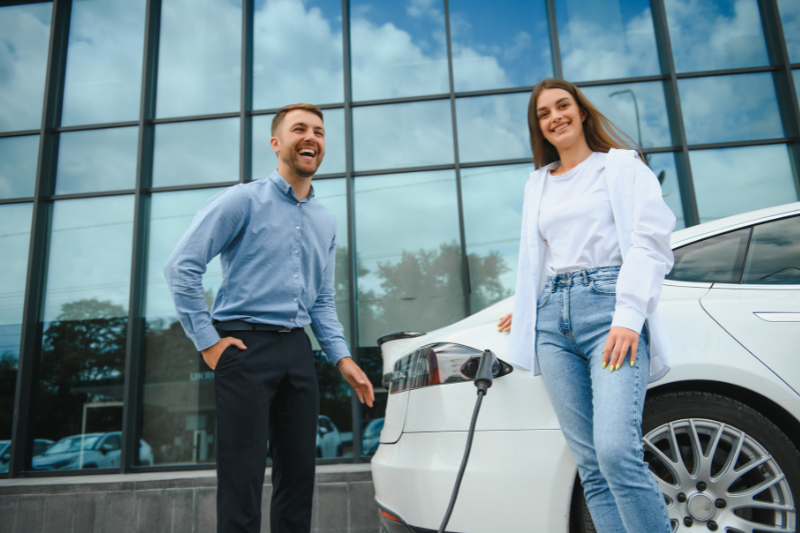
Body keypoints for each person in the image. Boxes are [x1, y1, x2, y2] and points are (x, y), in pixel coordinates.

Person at [164, 103, 375, 533]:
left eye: (318, 130)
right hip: (242, 347)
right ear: (277, 143)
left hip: (297, 351)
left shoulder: (325, 219)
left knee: (298, 478)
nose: (311, 137)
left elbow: (321, 300)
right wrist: (207, 341)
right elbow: (181, 266)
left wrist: (342, 358)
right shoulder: (242, 200)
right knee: (241, 479)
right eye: (299, 129)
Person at [497, 79, 675, 533]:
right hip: (553, 321)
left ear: (581, 112)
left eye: (563, 106)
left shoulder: (620, 167)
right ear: (539, 127)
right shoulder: (537, 183)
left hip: (609, 308)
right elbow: (535, 257)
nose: (555, 116)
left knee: (616, 451)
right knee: (591, 467)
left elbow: (651, 243)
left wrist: (629, 316)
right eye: (544, 113)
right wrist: (527, 305)